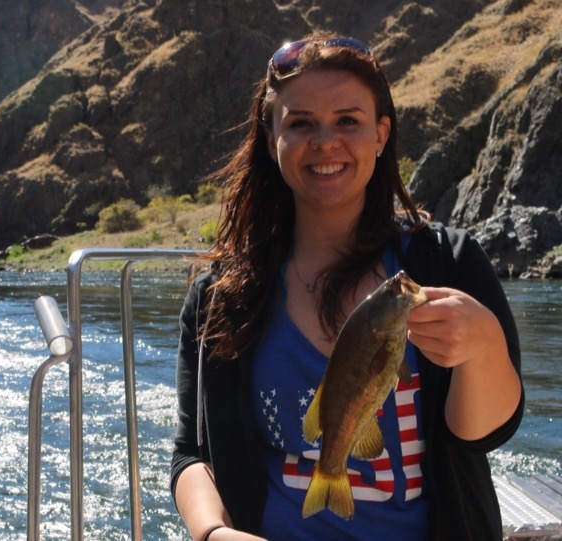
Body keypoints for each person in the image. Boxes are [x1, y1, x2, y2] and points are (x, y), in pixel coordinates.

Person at [170, 33, 524, 541]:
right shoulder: (220, 297)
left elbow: (484, 433)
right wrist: (212, 532)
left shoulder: (445, 262)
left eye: (348, 121)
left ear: (381, 134)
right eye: (301, 123)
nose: (325, 142)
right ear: (271, 140)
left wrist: (483, 346)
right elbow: (192, 454)